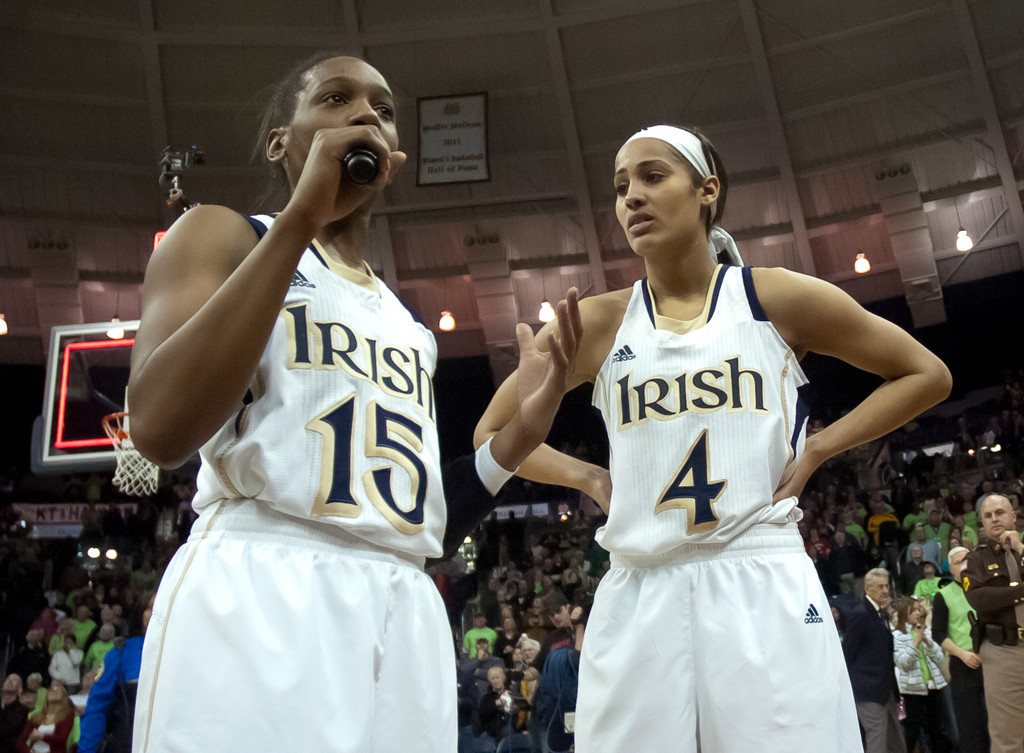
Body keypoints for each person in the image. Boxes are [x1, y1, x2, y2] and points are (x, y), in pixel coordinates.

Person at [124, 53, 582, 753]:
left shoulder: (406, 324)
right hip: (265, 586)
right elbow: (157, 426)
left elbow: (410, 517)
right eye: (336, 98)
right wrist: (302, 215)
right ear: (283, 141)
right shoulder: (223, 232)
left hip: (401, 604)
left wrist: (525, 429)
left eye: (383, 107)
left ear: (393, 157)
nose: (366, 113)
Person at [475, 123, 952, 752]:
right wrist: (586, 476)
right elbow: (492, 433)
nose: (631, 199)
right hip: (639, 585)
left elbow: (927, 374)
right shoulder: (596, 321)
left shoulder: (771, 296)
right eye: (621, 187)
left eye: (652, 176)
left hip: (758, 573)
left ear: (708, 189)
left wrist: (820, 446)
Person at [962, 494, 1024, 753]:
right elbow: (979, 599)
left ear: (1014, 517)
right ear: (982, 524)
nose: (994, 519)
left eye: (999, 512)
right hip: (1003, 652)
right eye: (988, 516)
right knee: (1007, 739)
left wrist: (1021, 549)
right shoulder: (974, 559)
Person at [932, 546, 988, 753]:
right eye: (957, 563)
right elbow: (938, 634)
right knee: (970, 724)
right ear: (950, 569)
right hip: (963, 663)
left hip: (991, 660)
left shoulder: (985, 588)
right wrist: (962, 654)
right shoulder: (943, 595)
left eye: (967, 560)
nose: (963, 566)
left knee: (996, 721)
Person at [844, 569, 907, 753]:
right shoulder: (861, 613)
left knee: (895, 736)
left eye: (887, 586)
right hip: (867, 689)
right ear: (868, 589)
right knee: (877, 737)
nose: (885, 591)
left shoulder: (881, 613)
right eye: (880, 587)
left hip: (885, 687)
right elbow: (848, 653)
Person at [891, 596, 952, 753]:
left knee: (937, 728)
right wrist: (915, 643)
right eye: (914, 610)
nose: (918, 613)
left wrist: (928, 642)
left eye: (919, 609)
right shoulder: (897, 635)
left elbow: (939, 658)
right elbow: (903, 663)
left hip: (933, 686)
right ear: (905, 612)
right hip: (912, 689)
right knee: (912, 729)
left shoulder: (924, 630)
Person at [18, 682, 78, 753]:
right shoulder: (37, 716)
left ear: (63, 697)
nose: (54, 691)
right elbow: (20, 741)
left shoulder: (68, 715)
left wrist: (42, 737)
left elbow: (61, 738)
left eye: (58, 690)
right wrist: (29, 751)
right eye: (51, 690)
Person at [0, 676, 28, 753]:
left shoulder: (21, 710)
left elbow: (7, 730)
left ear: (20, 690)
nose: (10, 681)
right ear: (2, 686)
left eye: (14, 680)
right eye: (8, 679)